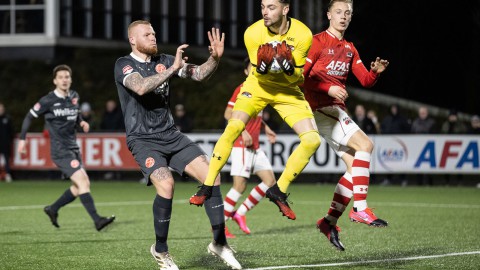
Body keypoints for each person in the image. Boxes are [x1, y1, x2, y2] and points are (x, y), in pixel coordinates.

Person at [113, 20, 241, 270]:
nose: (153, 36)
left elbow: (200, 73)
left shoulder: (165, 59)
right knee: (166, 184)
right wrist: (172, 69)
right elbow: (139, 87)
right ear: (132, 40)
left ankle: (219, 243)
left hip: (170, 135)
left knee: (211, 176)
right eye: (146, 34)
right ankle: (161, 251)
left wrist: (215, 58)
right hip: (143, 139)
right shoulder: (124, 64)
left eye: (153, 32)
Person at [190, 0, 321, 222]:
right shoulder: (252, 33)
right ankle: (208, 185)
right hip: (258, 86)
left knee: (312, 140)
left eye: (271, 7)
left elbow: (298, 77)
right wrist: (265, 66)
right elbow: (259, 74)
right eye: (262, 7)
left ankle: (278, 190)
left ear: (285, 9)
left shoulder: (303, 34)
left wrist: (288, 68)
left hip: (287, 91)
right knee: (234, 126)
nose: (265, 12)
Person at [302, 0, 389, 251]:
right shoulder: (317, 42)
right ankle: (360, 209)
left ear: (350, 18)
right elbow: (301, 79)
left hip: (334, 112)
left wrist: (376, 72)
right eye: (338, 12)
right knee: (366, 144)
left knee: (354, 169)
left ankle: (328, 222)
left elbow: (366, 81)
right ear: (329, 14)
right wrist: (327, 87)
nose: (343, 16)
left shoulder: (350, 48)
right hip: (319, 109)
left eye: (347, 13)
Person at [17, 64, 115, 231]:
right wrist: (22, 139)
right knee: (83, 181)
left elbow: (75, 115)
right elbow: (28, 117)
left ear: (70, 79)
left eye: (67, 77)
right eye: (61, 77)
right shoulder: (47, 100)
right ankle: (97, 220)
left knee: (79, 187)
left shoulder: (74, 96)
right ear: (55, 81)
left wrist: (81, 122)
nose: (64, 80)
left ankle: (53, 209)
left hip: (73, 148)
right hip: (60, 150)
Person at [223, 58, 277, 238]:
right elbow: (228, 113)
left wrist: (267, 128)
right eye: (251, 68)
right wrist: (243, 131)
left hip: (255, 146)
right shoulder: (242, 89)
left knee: (270, 181)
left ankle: (240, 213)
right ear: (246, 72)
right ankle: (219, 224)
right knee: (239, 186)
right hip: (241, 145)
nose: (255, 70)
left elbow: (256, 116)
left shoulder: (260, 90)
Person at [0, 102, 14, 182]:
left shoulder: (7, 119)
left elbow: (11, 131)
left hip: (5, 143)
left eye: (1, 109)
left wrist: (9, 140)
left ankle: (8, 175)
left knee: (6, 160)